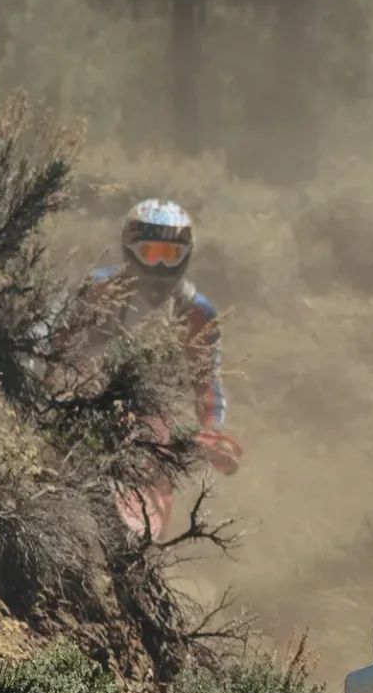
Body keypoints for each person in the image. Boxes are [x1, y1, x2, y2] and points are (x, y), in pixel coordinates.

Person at [51, 199, 241, 535]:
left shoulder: (195, 313)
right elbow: (55, 345)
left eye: (171, 255)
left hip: (150, 415)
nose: (160, 266)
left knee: (154, 463)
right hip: (81, 394)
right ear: (130, 250)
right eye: (151, 252)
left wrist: (214, 432)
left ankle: (138, 541)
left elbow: (206, 384)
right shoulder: (98, 290)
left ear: (187, 255)